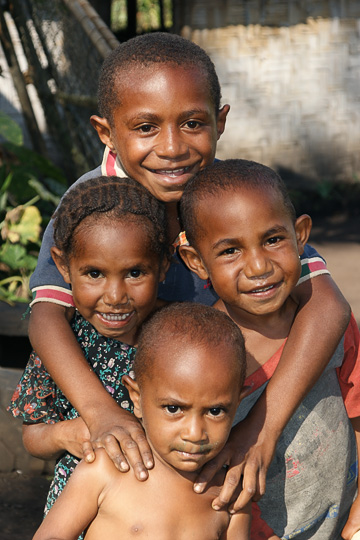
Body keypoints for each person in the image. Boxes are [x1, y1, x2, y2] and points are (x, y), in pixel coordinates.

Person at [26, 32, 350, 506]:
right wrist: (100, 413)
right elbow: (46, 315)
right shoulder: (90, 207)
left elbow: (328, 306)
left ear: (220, 122)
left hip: (221, 408)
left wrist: (259, 432)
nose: (172, 147)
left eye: (193, 123)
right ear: (106, 132)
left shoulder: (232, 196)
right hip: (130, 412)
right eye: (145, 127)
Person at [179, 159, 360, 539]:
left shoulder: (328, 327)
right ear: (197, 262)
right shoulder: (202, 359)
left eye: (273, 239)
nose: (259, 266)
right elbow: (200, 475)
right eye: (230, 251)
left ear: (301, 235)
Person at [8, 175, 170, 519]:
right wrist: (68, 433)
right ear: (63, 266)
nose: (114, 296)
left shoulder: (178, 337)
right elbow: (33, 434)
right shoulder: (64, 345)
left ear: (164, 267)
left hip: (163, 510)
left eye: (135, 273)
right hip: (82, 514)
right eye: (94, 274)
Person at [32, 302, 251, 540]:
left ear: (237, 403)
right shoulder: (106, 469)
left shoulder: (228, 495)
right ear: (136, 398)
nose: (194, 432)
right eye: (174, 408)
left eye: (216, 411)